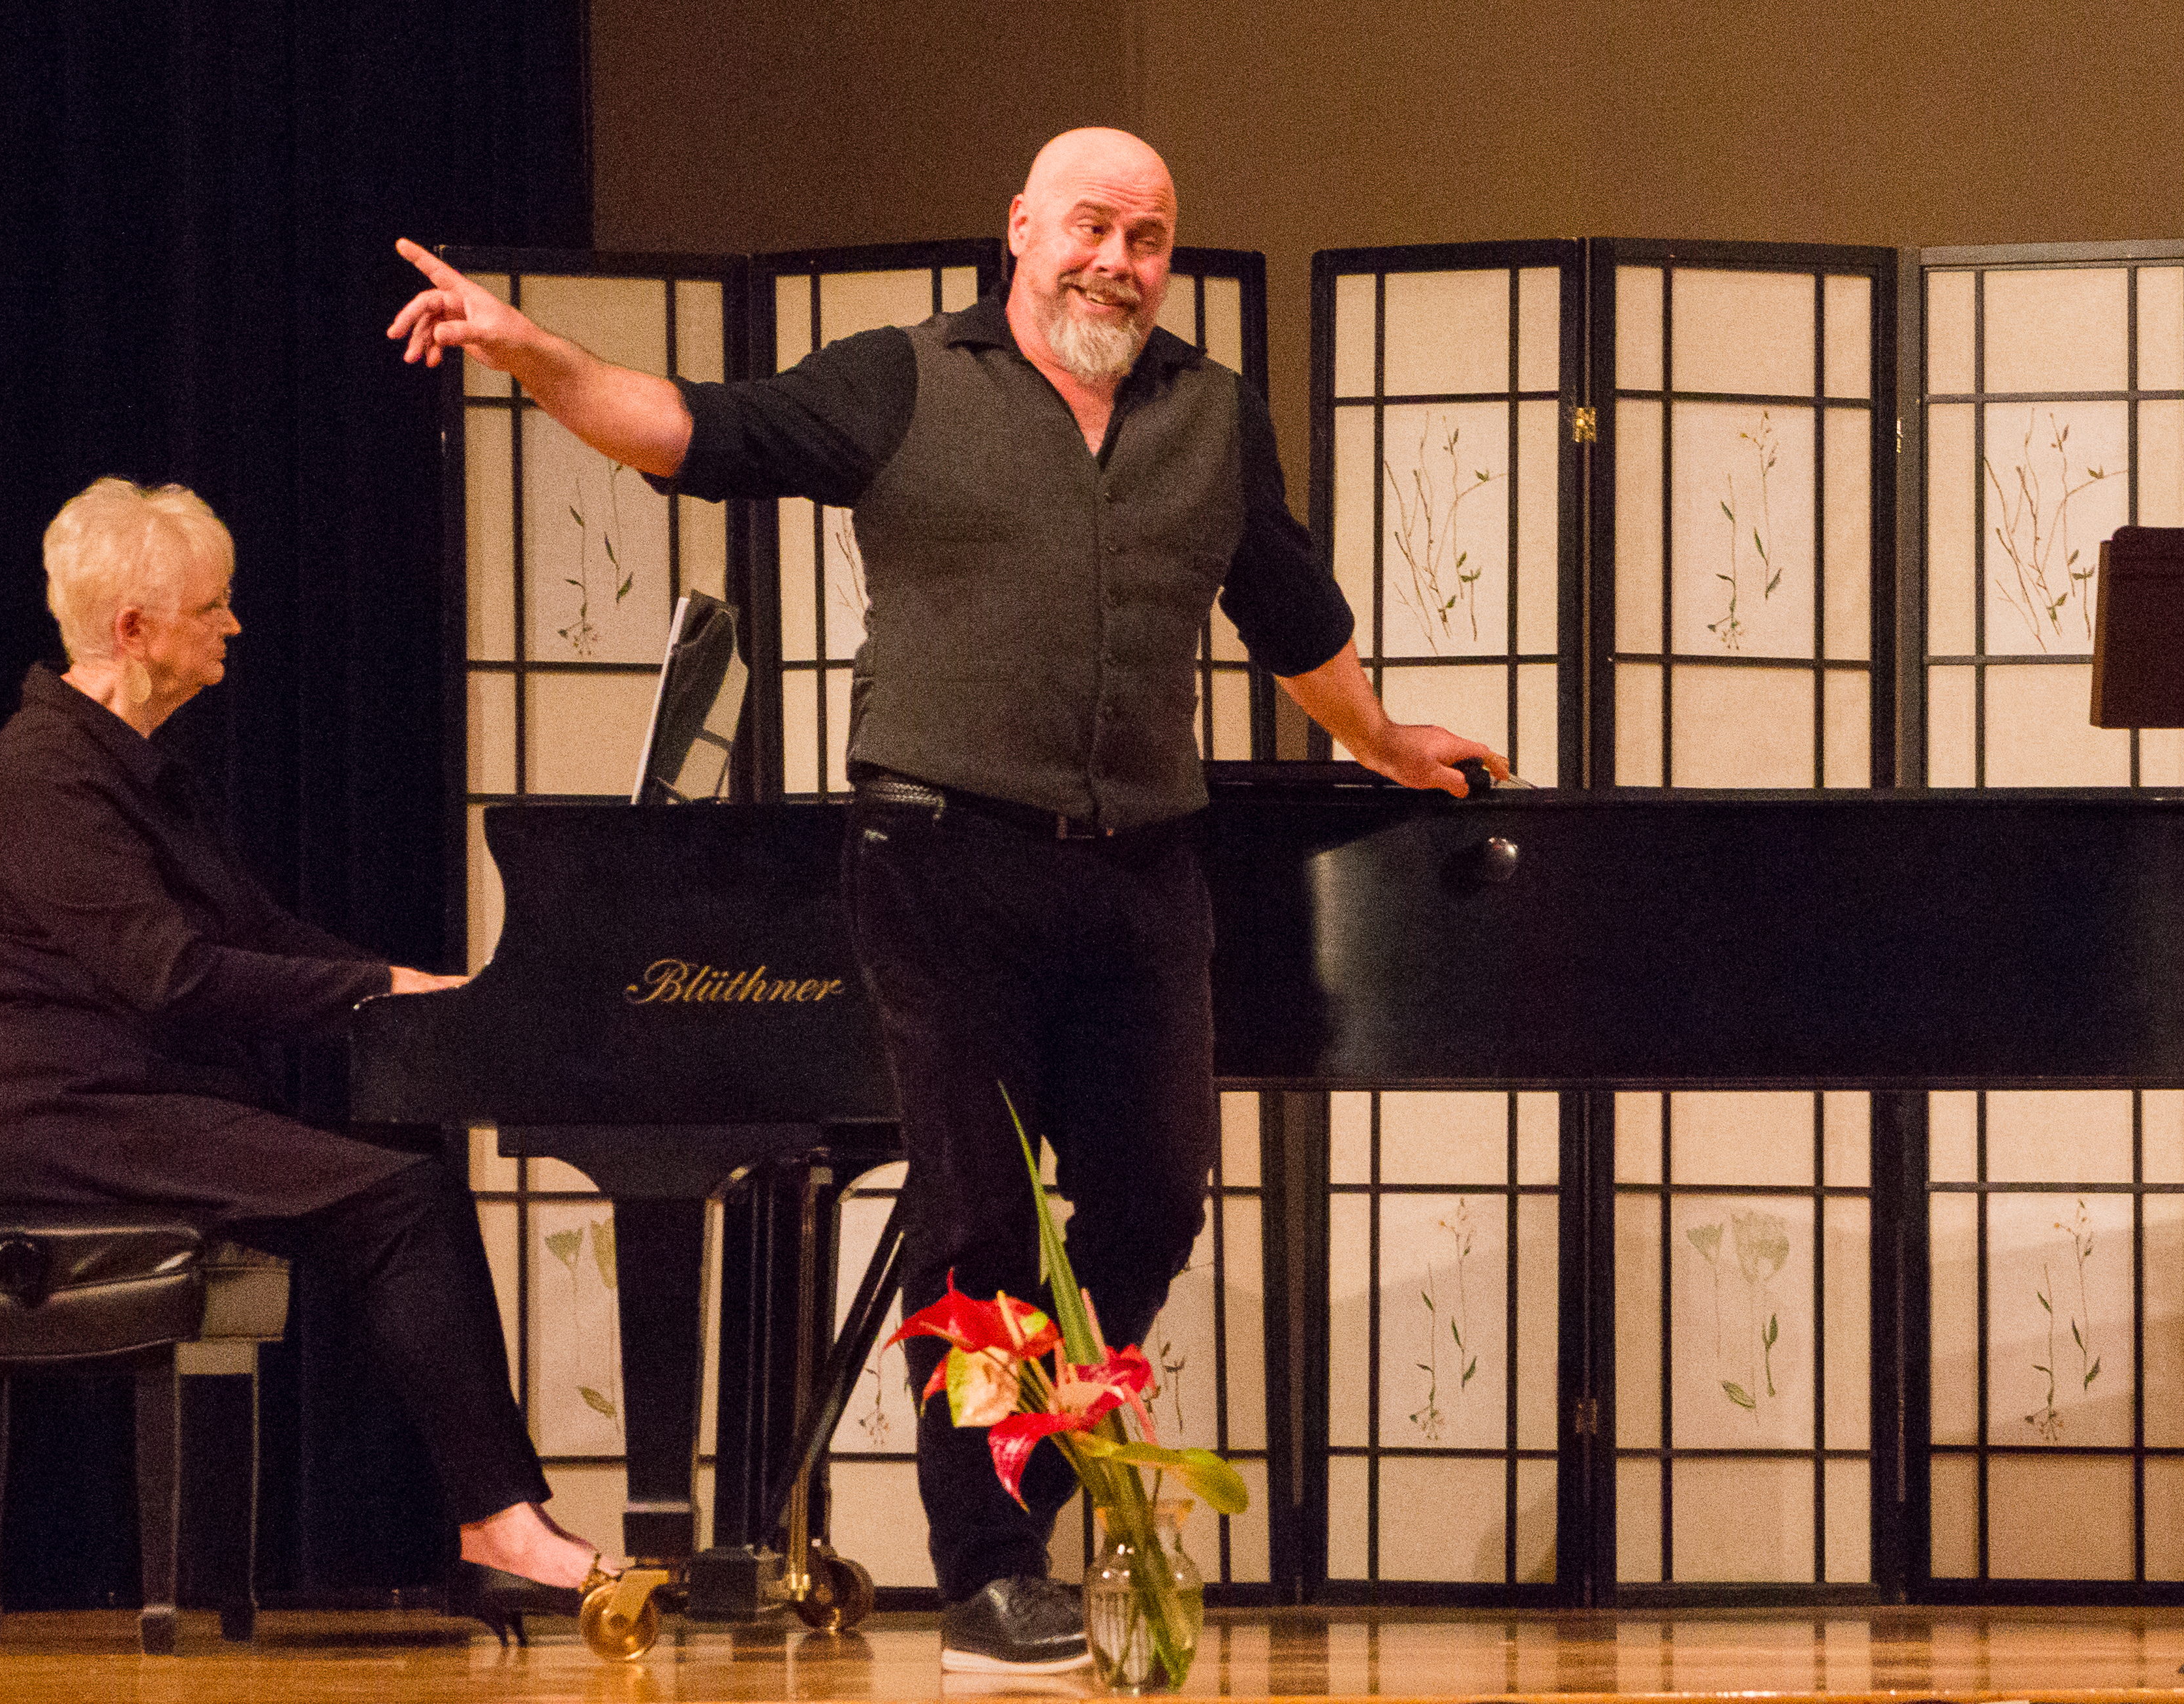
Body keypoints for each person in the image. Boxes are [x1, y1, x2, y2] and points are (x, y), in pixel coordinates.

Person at [390, 125, 1505, 1672]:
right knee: (977, 1225)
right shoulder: (904, 379)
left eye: (1149, 237)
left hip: (1141, 872)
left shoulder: (1208, 414)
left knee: (1156, 1203)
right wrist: (525, 348)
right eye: (1092, 227)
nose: (1118, 261)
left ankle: (1023, 1492)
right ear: (1021, 230)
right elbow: (683, 431)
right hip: (940, 863)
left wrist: (1382, 739)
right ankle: (990, 1568)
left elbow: (1293, 613)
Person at [0, 477, 602, 1643]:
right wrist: (376, 992)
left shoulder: (139, 763)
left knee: (399, 1162)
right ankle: (496, 1524)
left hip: (142, 1106)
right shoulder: (41, 776)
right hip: (66, 1125)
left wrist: (425, 989)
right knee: (397, 1195)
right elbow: (174, 975)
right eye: (214, 607)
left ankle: (491, 1516)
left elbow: (257, 934)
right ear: (136, 631)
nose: (235, 626)